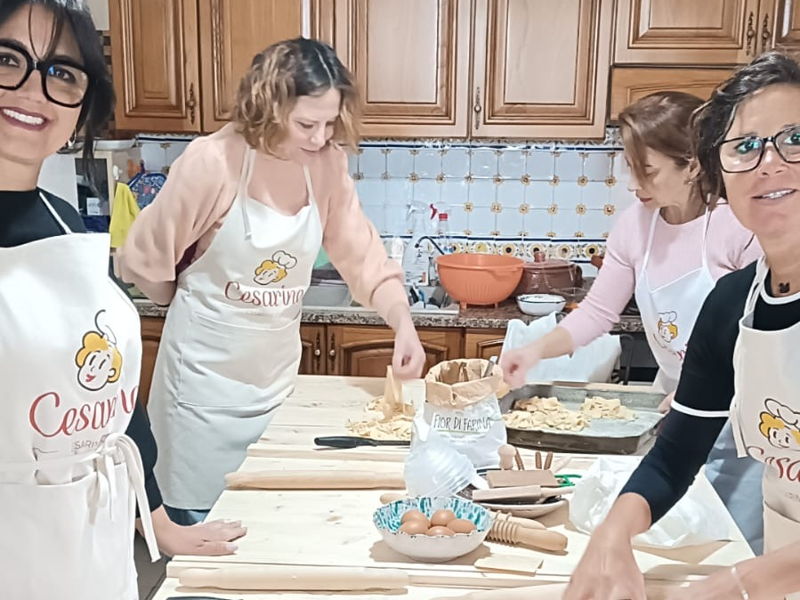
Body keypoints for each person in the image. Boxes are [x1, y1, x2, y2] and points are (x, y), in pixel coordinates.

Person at [117, 37, 426, 525]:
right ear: (269, 104)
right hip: (202, 391)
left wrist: (402, 322)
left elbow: (362, 255)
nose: (320, 138)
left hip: (277, 386)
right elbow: (142, 261)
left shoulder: (326, 166)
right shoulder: (212, 161)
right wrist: (185, 300)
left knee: (270, 519)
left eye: (329, 123)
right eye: (306, 124)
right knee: (202, 531)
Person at [0, 2, 244, 597]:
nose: (34, 89)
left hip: (96, 550)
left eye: (62, 72)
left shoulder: (66, 224)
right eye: (7, 60)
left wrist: (156, 520)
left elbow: (115, 397)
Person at [564, 51, 800, 600]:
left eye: (796, 139)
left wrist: (741, 581)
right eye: (745, 146)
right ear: (719, 174)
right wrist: (614, 532)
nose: (770, 163)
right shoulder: (733, 305)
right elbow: (675, 456)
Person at [500, 91, 765, 550]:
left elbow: (761, 336)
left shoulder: (738, 228)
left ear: (692, 165)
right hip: (672, 410)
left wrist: (704, 390)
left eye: (647, 169)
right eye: (629, 166)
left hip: (741, 416)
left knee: (729, 548)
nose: (633, 183)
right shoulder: (635, 226)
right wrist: (534, 351)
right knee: (669, 543)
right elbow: (599, 312)